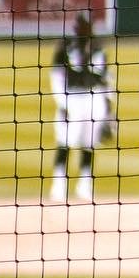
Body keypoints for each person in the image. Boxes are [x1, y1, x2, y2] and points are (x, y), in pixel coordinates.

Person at [47, 13, 113, 203]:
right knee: (65, 142)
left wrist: (109, 111)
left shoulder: (98, 48)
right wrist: (63, 103)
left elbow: (107, 81)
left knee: (89, 144)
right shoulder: (65, 47)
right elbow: (57, 79)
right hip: (71, 99)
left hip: (93, 99)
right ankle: (59, 185)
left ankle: (85, 185)